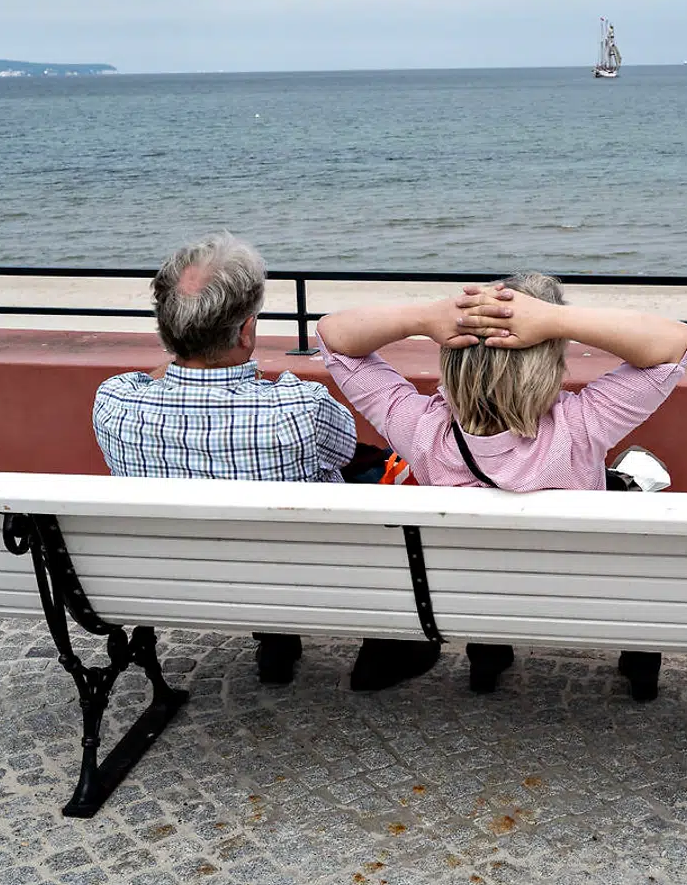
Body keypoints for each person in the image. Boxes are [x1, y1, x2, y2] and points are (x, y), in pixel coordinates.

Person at [316, 271, 687, 699]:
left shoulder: (421, 432)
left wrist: (426, 317)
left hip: (476, 594)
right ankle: (641, 672)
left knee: (484, 555)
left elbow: (334, 338)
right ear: (549, 364)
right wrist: (556, 320)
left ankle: (488, 660)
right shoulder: (582, 426)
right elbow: (674, 344)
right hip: (586, 587)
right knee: (630, 511)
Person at [91, 232, 440, 690]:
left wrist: (186, 356)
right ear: (246, 330)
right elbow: (343, 449)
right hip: (303, 575)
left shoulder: (113, 403)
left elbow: (151, 378)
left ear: (168, 330)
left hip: (178, 579)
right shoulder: (301, 405)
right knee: (371, 472)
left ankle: (277, 640)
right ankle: (390, 644)